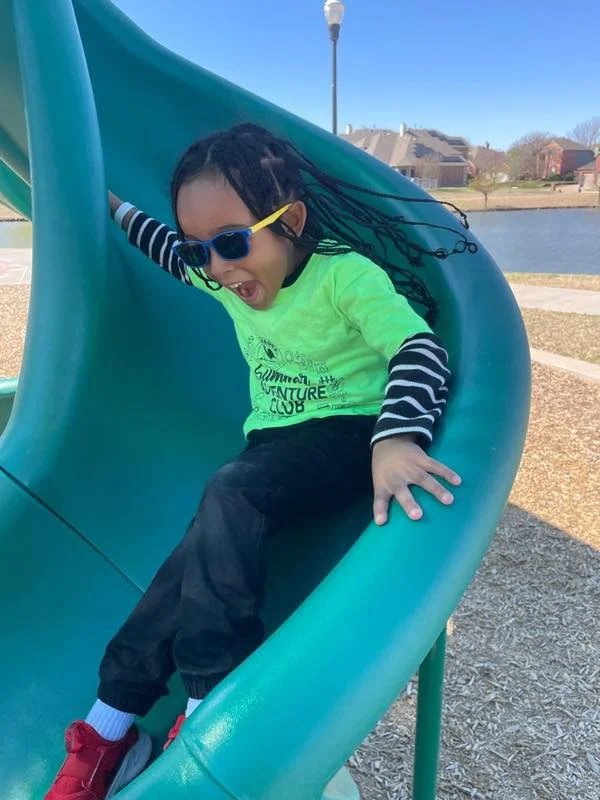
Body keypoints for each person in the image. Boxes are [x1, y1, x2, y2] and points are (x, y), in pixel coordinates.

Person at [45, 123, 469, 800]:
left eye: (233, 244)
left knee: (230, 492)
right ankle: (111, 729)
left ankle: (210, 709)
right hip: (271, 450)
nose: (217, 267)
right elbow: (165, 251)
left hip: (348, 433)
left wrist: (397, 438)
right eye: (202, 249)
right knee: (185, 568)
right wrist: (112, 207)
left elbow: (418, 350)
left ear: (291, 222)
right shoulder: (222, 275)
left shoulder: (343, 278)